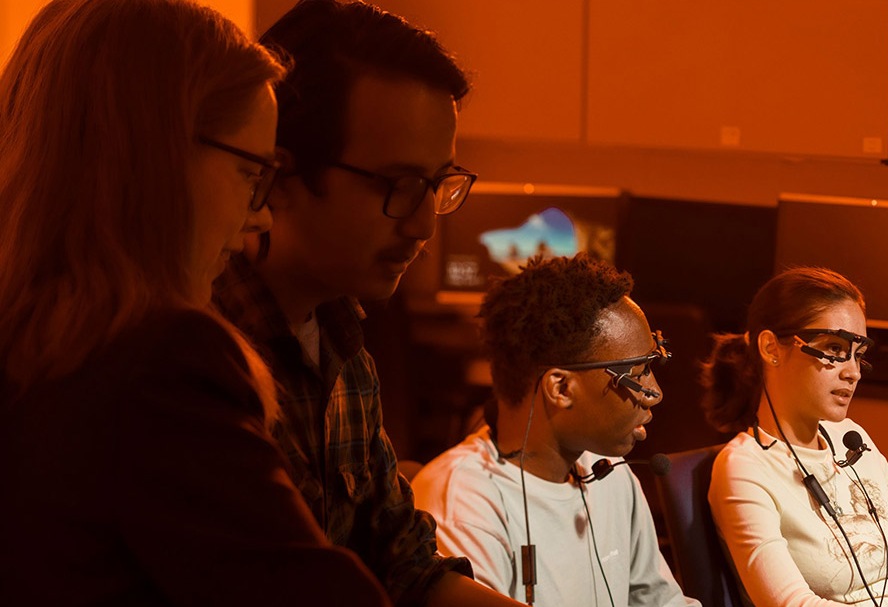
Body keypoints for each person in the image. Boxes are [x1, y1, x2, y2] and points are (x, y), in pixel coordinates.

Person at [0, 0, 391, 605]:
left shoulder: (31, 344)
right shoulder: (160, 362)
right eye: (251, 174)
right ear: (159, 153)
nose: (259, 216)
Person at [212, 2, 519, 605]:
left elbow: (408, 567)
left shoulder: (340, 341)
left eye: (438, 184)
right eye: (398, 186)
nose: (426, 224)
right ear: (280, 174)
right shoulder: (203, 358)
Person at [411, 254, 702, 607]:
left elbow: (661, 602)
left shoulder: (611, 474)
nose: (655, 393)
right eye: (636, 373)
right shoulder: (463, 503)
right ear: (561, 388)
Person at [702, 266, 888, 607]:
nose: (852, 372)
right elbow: (791, 604)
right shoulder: (744, 468)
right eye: (834, 349)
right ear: (771, 348)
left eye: (858, 354)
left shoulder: (850, 437)